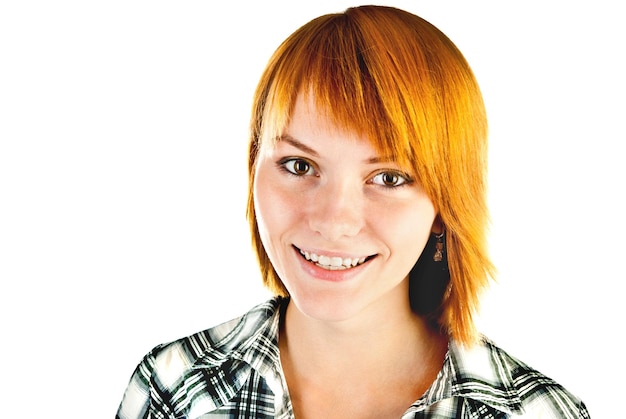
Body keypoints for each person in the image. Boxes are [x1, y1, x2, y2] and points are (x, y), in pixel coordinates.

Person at [116, 5, 589, 418]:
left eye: (388, 178)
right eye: (299, 165)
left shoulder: (536, 413)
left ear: (446, 203)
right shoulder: (172, 391)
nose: (333, 220)